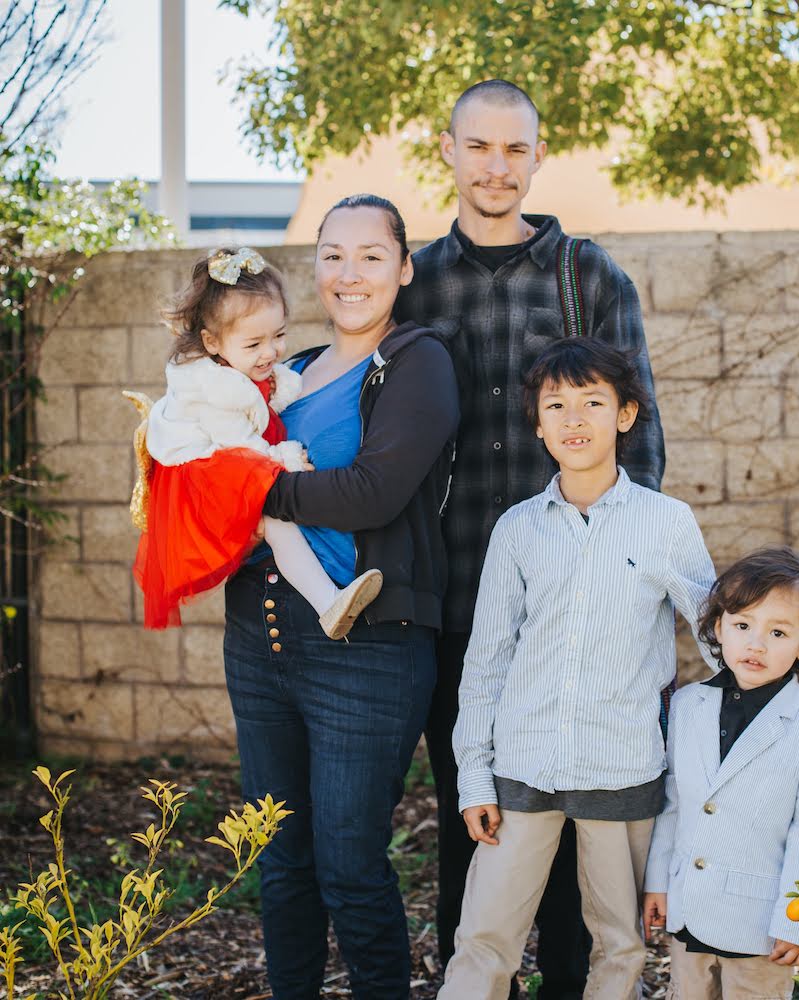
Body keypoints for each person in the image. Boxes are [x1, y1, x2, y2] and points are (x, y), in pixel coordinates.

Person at [394, 78, 667, 997]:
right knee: (475, 824)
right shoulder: (414, 281)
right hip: (457, 602)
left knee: (576, 849)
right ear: (450, 150)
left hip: (575, 621)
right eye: (479, 147)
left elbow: (646, 446)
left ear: (538, 156)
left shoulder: (590, 279)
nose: (496, 167)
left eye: (515, 149)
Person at [222, 195, 460, 1000]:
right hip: (258, 644)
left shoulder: (418, 360)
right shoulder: (284, 372)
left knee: (350, 863)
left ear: (403, 267)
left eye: (369, 255)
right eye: (331, 254)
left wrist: (249, 495)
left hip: (367, 647)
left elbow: (373, 492)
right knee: (280, 860)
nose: (348, 273)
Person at [437, 339, 714, 1000]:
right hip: (523, 770)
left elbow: (714, 631)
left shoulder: (666, 524)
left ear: (625, 414)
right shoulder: (518, 529)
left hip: (623, 768)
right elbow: (487, 661)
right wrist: (474, 773)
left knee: (619, 943)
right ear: (537, 424)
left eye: (593, 401)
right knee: (483, 938)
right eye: (556, 405)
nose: (575, 418)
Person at [133, 246, 382, 638]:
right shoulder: (214, 388)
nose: (270, 353)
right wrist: (285, 459)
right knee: (275, 521)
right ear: (211, 342)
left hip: (214, 464)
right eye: (254, 345)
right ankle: (327, 602)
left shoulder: (233, 367)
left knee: (270, 523)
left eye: (279, 336)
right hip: (197, 480)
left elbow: (264, 402)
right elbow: (244, 454)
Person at [642, 548, 799, 1000]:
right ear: (718, 628)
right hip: (687, 908)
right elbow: (673, 802)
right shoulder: (686, 706)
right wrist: (658, 881)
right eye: (742, 626)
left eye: (778, 632)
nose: (756, 644)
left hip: (760, 928)